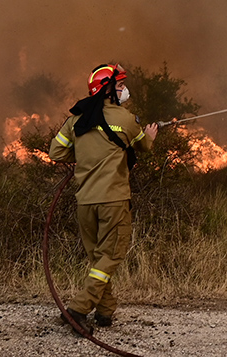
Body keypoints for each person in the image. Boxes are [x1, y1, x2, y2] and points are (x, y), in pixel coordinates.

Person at [49, 63, 157, 333]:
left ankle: (106, 311)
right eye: (119, 86)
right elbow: (144, 145)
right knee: (111, 256)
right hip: (114, 201)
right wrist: (152, 135)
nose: (123, 90)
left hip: (85, 202)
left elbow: (56, 152)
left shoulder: (76, 120)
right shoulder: (125, 119)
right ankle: (78, 309)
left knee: (98, 259)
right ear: (107, 90)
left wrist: (86, 155)